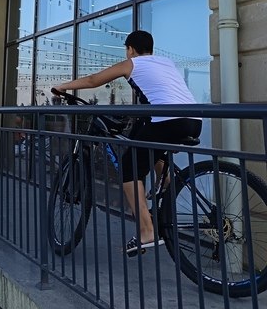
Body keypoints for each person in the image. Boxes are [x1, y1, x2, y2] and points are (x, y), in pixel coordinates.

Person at [55, 30, 201, 257]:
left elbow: (93, 80)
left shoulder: (132, 64)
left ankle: (146, 231)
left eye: (127, 49)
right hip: (194, 120)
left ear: (130, 49)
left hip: (168, 120)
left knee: (128, 169)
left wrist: (63, 87)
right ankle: (166, 182)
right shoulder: (166, 63)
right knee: (141, 139)